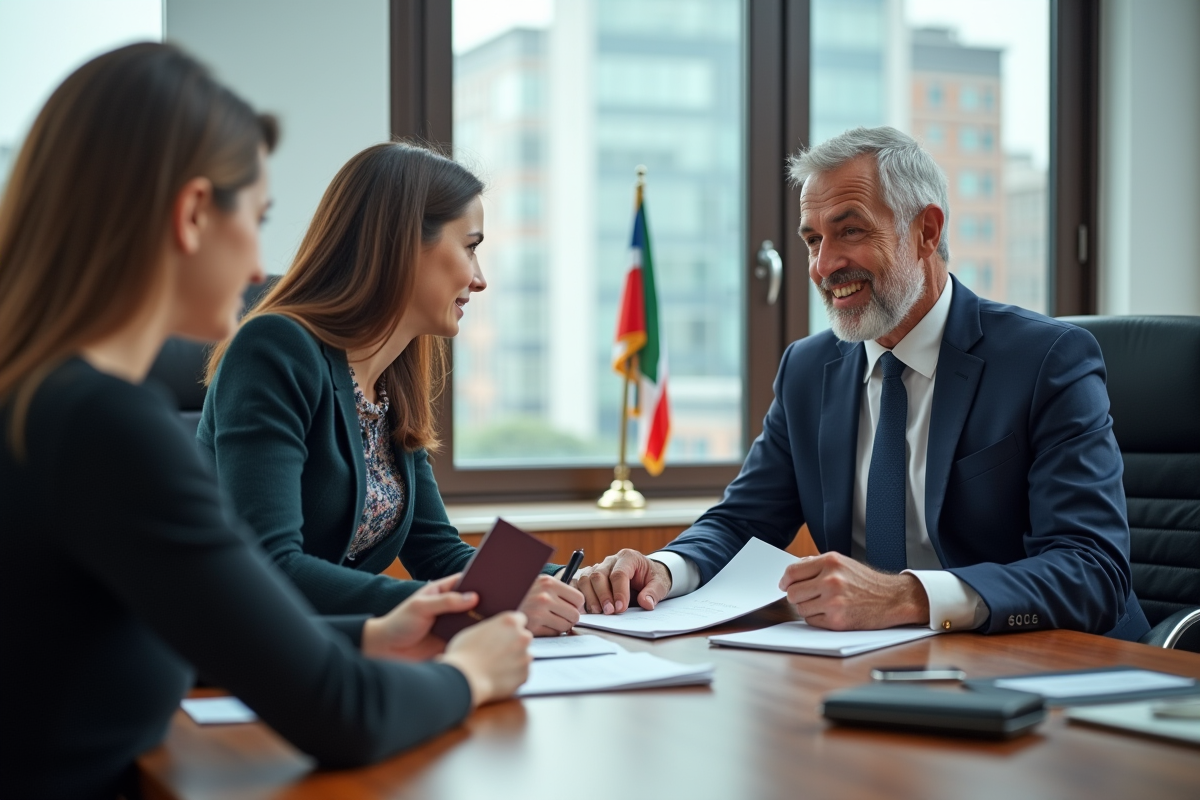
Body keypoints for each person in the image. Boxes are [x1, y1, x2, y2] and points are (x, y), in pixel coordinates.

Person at [0, 43, 532, 800]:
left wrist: (370, 633)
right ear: (191, 215)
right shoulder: (107, 427)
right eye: (259, 216)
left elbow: (177, 631)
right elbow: (344, 715)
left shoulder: (42, 402)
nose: (261, 268)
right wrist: (469, 675)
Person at [574, 126, 1149, 641]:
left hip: (1053, 669)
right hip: (880, 669)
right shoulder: (807, 369)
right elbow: (742, 522)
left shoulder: (1046, 360)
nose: (824, 266)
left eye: (849, 232)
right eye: (812, 241)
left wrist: (908, 597)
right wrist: (667, 569)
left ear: (926, 231)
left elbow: (1091, 569)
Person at [198, 142, 584, 635]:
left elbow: (437, 553)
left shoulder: (391, 381)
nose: (480, 279)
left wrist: (572, 583)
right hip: (234, 659)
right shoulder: (275, 348)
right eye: (470, 247)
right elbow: (270, 566)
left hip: (330, 655)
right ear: (404, 243)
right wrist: (468, 607)